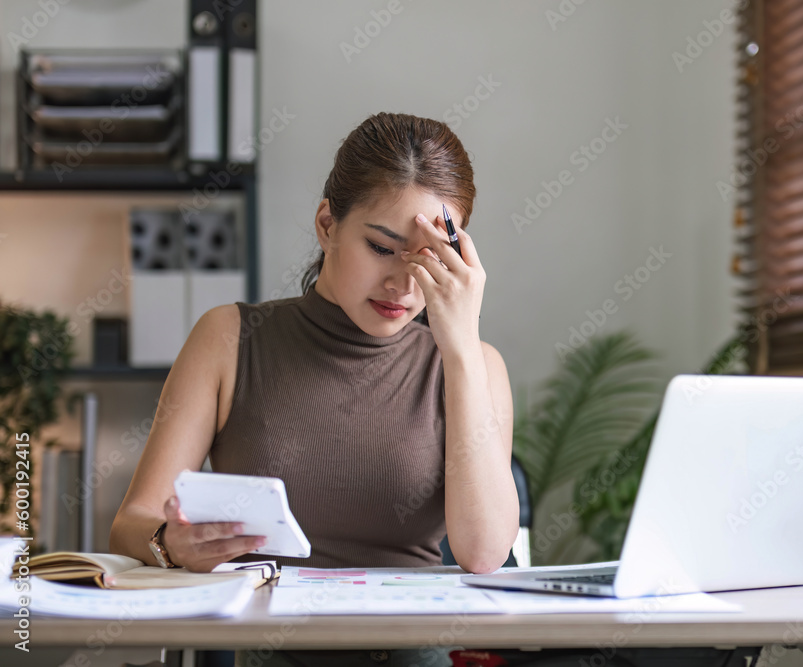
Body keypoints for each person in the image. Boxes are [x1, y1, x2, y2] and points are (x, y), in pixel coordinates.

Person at [110, 112, 520, 666]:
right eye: (381, 247)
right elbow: (132, 521)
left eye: (428, 257)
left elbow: (486, 552)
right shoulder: (229, 338)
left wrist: (462, 350)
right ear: (328, 224)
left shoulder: (475, 366)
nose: (401, 283)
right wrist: (169, 543)